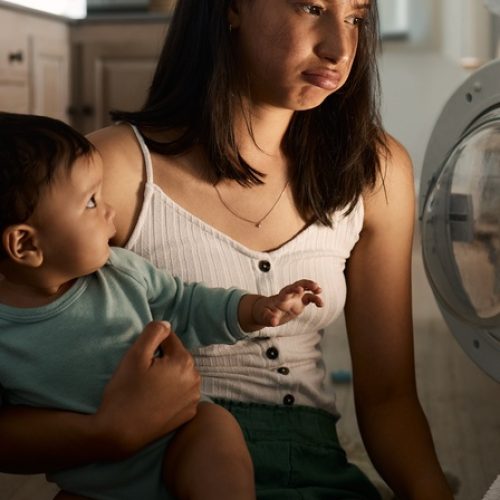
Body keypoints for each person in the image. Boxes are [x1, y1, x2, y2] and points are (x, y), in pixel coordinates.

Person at [0, 1, 455, 499]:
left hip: (311, 468)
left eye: (356, 18)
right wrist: (106, 433)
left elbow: (390, 398)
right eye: (311, 6)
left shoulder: (375, 169)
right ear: (232, 7)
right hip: (148, 468)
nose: (340, 48)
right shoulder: (108, 170)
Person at [0, 112, 324, 500]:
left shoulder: (120, 272)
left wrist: (256, 309)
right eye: (90, 202)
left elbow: (186, 303)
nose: (109, 212)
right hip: (92, 480)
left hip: (179, 437)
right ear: (26, 245)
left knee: (215, 433)